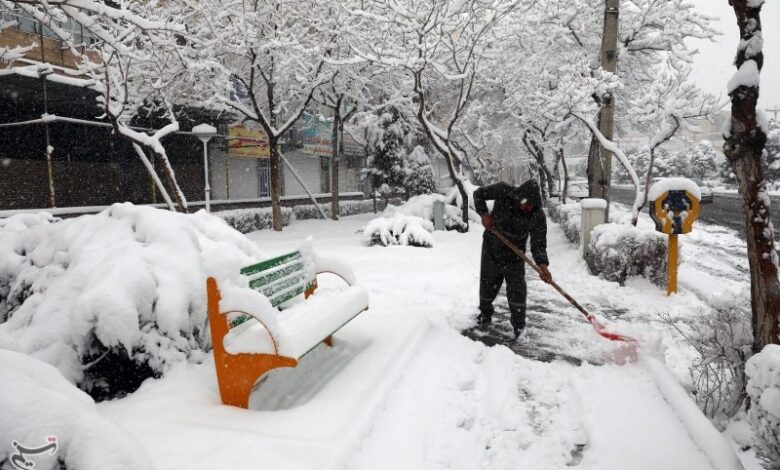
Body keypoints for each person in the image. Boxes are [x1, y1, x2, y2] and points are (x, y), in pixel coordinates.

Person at [473, 179, 552, 338]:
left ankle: (518, 326)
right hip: (492, 246)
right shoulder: (503, 191)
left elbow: (538, 243)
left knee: (517, 289)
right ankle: (485, 313)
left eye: (531, 205)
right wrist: (484, 214)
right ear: (519, 196)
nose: (526, 207)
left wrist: (542, 265)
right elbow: (478, 194)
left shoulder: (537, 214)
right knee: (488, 282)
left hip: (515, 254)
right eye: (525, 203)